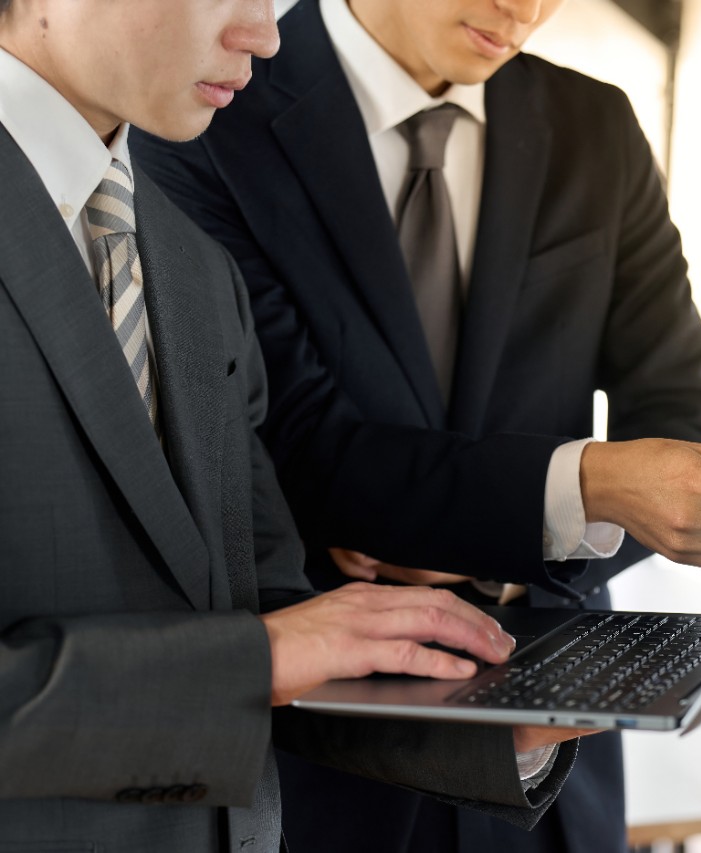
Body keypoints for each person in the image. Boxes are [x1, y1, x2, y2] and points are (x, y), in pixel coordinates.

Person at [132, 0, 701, 850]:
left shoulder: (593, 123)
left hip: (555, 755)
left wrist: (572, 526)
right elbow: (288, 438)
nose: (522, 7)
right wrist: (587, 485)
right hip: (325, 761)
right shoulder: (205, 106)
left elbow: (683, 418)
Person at [0, 1, 614, 849]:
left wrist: (484, 730)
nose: (265, 34)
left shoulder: (193, 267)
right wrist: (260, 658)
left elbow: (267, 621)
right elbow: (257, 656)